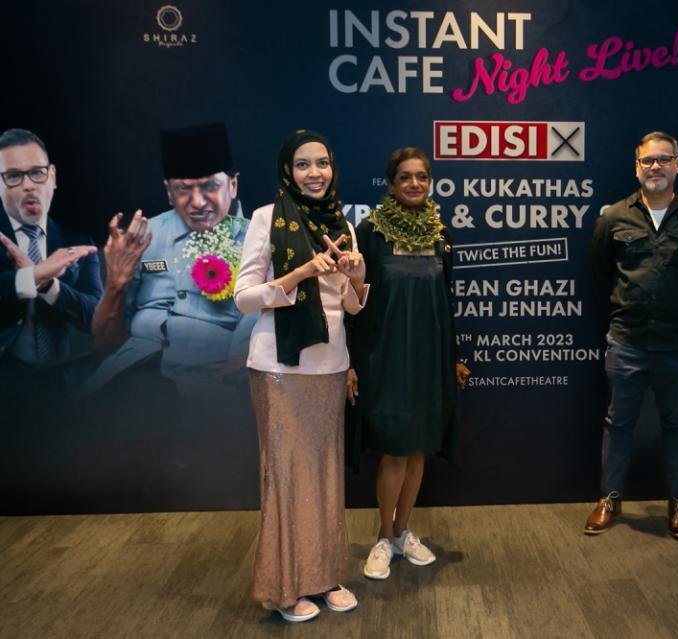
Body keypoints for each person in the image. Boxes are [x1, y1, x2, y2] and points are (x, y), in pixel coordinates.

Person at [234, 129, 367, 622]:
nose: (315, 173)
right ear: (287, 171)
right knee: (287, 478)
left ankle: (325, 575)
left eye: (323, 164)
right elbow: (244, 297)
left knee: (324, 477)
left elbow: (350, 305)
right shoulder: (266, 219)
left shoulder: (344, 225)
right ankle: (286, 586)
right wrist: (298, 275)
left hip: (329, 366)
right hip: (279, 368)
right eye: (304, 165)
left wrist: (354, 276)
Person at [586, 131, 678, 538]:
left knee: (677, 423)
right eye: (648, 161)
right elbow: (601, 273)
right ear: (637, 167)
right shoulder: (614, 218)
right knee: (619, 423)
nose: (656, 167)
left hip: (677, 344)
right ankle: (609, 497)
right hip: (627, 340)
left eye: (664, 159)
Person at [348, 147, 469, 581]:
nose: (415, 184)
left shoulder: (442, 234)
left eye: (422, 176)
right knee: (395, 450)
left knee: (419, 450)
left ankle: (403, 532)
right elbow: (352, 306)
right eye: (406, 177)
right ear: (391, 184)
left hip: (431, 359)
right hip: (385, 358)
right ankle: (383, 535)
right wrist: (351, 363)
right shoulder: (370, 233)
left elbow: (447, 302)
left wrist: (454, 356)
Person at [87, 121, 254, 394]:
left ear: (233, 185)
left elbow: (246, 354)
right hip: (130, 376)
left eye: (210, 186)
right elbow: (104, 345)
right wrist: (116, 283)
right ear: (168, 192)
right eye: (184, 189)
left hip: (205, 388)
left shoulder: (256, 240)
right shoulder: (142, 237)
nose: (198, 202)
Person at [0, 127, 102, 423]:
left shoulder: (77, 241)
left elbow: (94, 317)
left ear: (53, 177)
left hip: (60, 389)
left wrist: (48, 284)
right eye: (14, 176)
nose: (29, 185)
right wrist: (29, 277)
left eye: (37, 173)